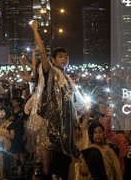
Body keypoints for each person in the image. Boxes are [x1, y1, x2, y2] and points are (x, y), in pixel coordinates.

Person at [28, 20, 88, 179]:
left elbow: (76, 103)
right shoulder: (51, 73)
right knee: (56, 164)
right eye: (60, 56)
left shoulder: (68, 79)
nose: (64, 59)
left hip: (67, 128)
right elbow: (42, 52)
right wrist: (35, 30)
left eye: (66, 57)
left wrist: (78, 122)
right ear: (53, 60)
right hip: (54, 127)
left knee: (66, 163)